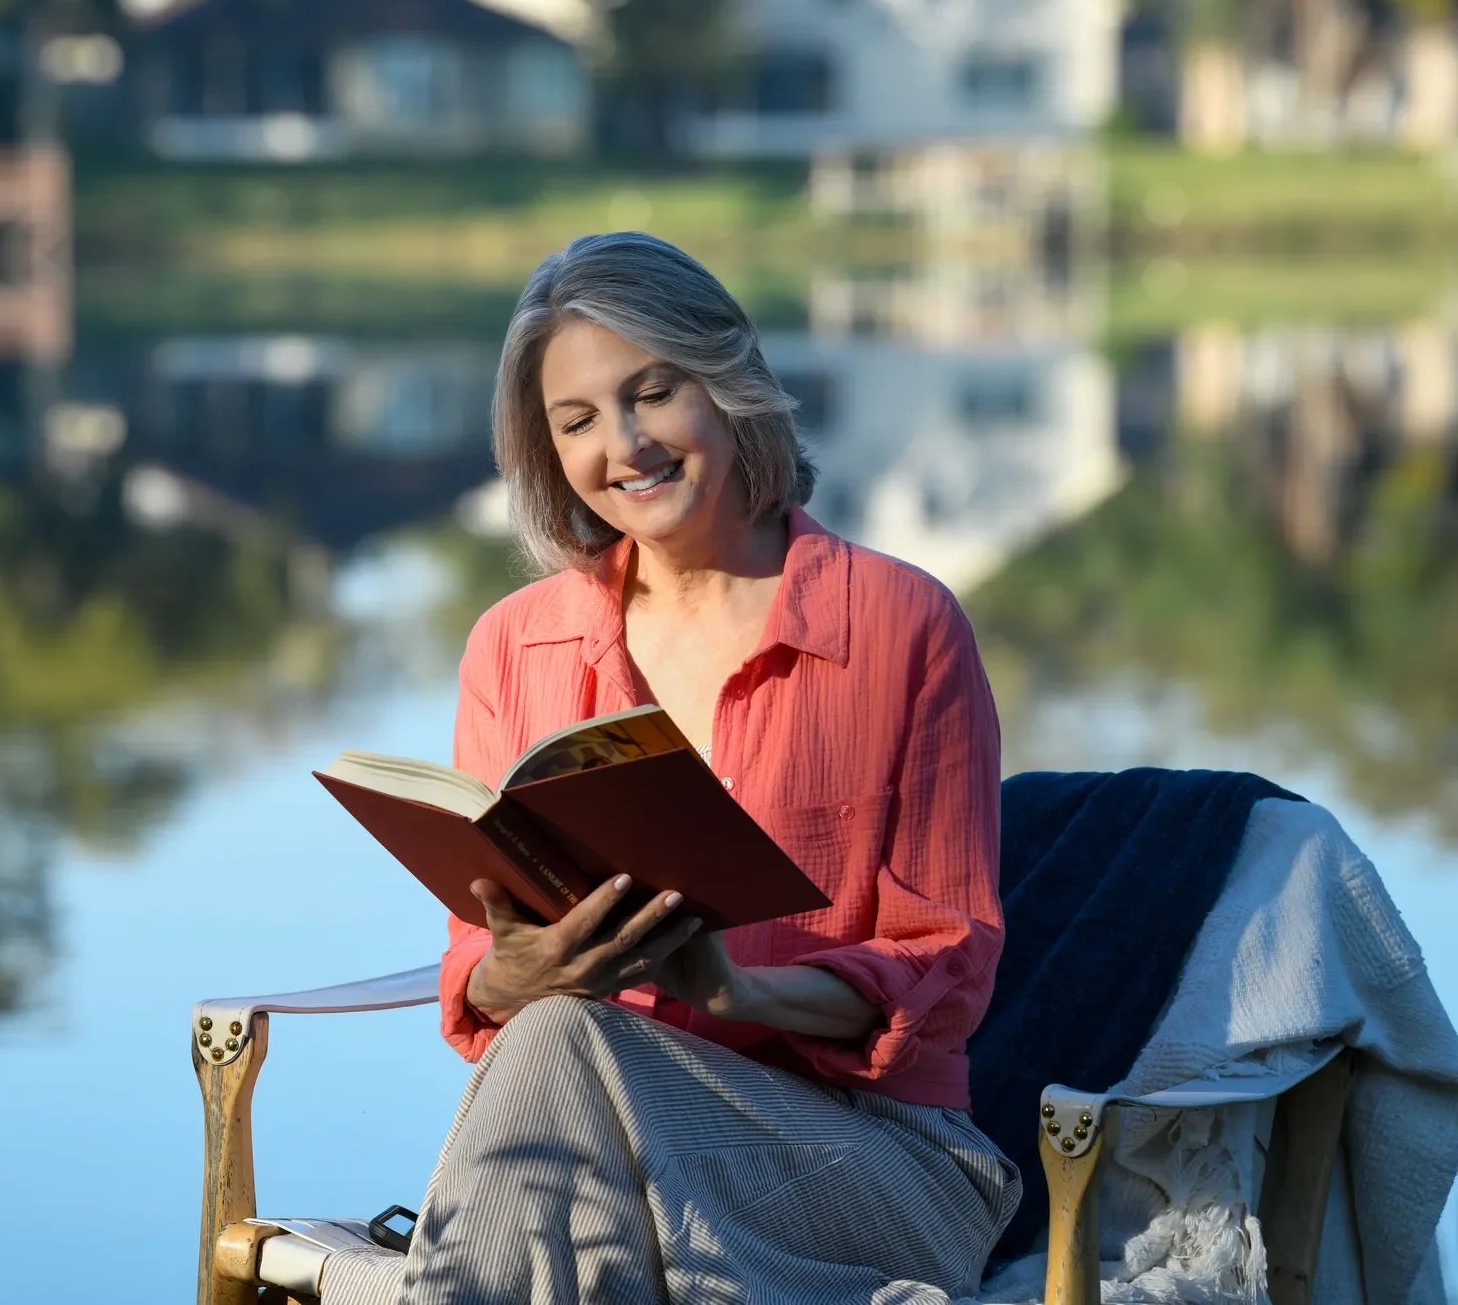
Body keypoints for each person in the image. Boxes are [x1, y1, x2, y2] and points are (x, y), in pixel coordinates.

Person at [322, 233, 1021, 1305]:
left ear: (729, 383)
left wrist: (741, 988)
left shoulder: (899, 624)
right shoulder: (516, 646)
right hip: (593, 1141)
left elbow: (946, 963)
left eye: (653, 392)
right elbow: (479, 978)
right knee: (557, 1033)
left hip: (875, 1158)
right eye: (577, 420)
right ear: (543, 448)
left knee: (562, 1058)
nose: (625, 444)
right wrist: (524, 964)